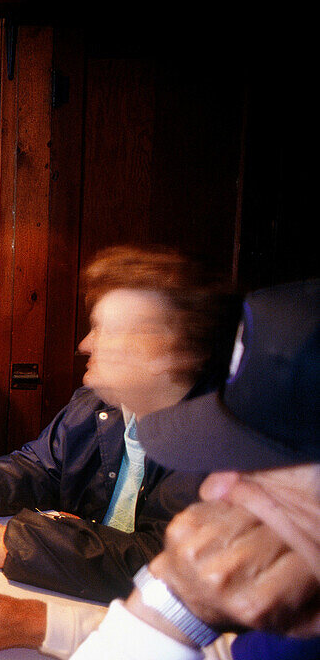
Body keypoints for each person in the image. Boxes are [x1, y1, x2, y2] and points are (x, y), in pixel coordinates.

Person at [0, 246, 229, 601]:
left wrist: (9, 542)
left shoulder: (220, 445)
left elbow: (160, 563)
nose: (85, 344)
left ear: (167, 350)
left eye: (106, 330)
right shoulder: (95, 406)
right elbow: (39, 467)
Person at [70, 278, 320, 659]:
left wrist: (166, 608)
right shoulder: (294, 633)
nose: (212, 489)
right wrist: (173, 611)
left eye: (261, 464)